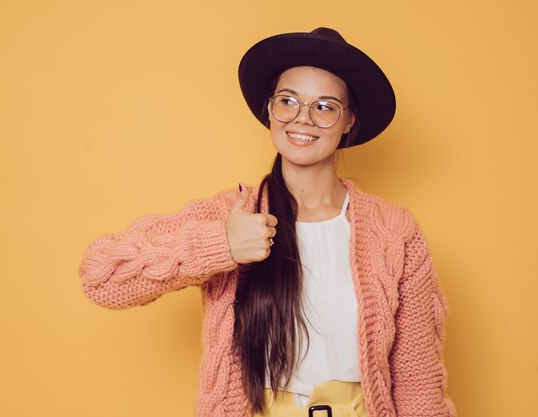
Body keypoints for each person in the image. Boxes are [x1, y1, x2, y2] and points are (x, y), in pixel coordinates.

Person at [78, 27, 455, 417]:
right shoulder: (234, 216)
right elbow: (100, 277)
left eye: (324, 107)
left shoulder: (394, 233)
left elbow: (418, 386)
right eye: (288, 101)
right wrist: (221, 244)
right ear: (270, 109)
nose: (302, 119)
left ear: (348, 121)